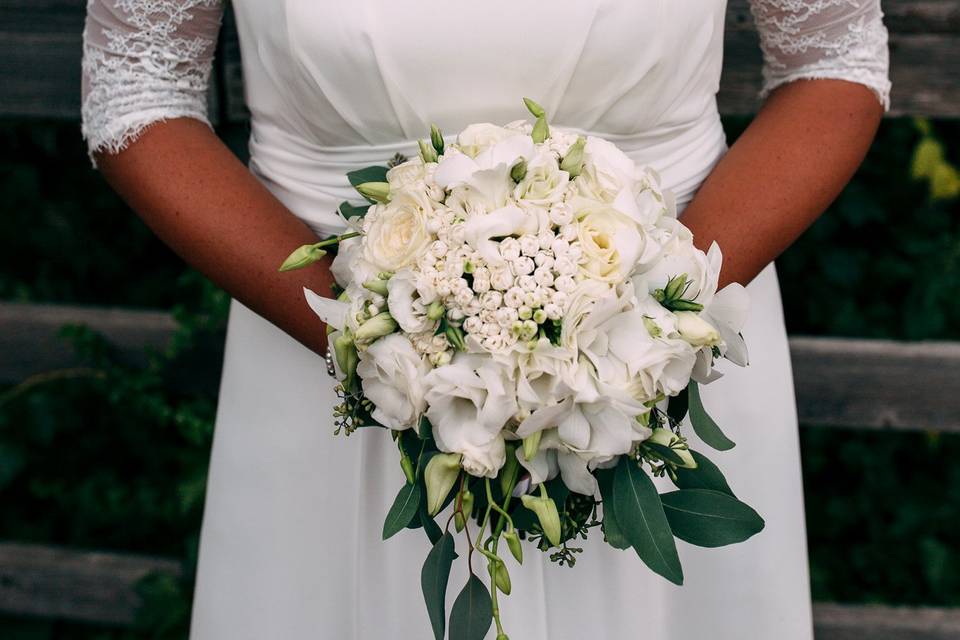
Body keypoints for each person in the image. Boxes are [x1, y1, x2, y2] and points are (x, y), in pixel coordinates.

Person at [80, 2, 890, 638]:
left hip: (660, 369)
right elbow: (136, 91)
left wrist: (645, 320)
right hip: (326, 364)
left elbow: (834, 61)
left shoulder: (656, 333)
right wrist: (384, 343)